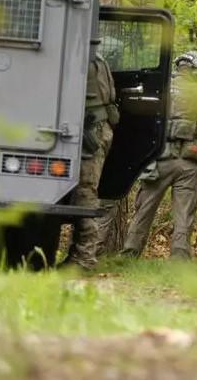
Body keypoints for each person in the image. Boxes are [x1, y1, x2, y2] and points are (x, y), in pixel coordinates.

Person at [122, 51, 197, 260]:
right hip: (187, 163)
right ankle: (180, 258)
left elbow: (141, 126)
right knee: (184, 214)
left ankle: (129, 254)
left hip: (158, 160)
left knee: (144, 210)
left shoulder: (160, 87)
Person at [62, 50, 119, 269]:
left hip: (91, 132)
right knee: (84, 190)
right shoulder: (96, 57)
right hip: (96, 129)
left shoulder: (85, 59)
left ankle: (85, 257)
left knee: (85, 191)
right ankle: (79, 254)